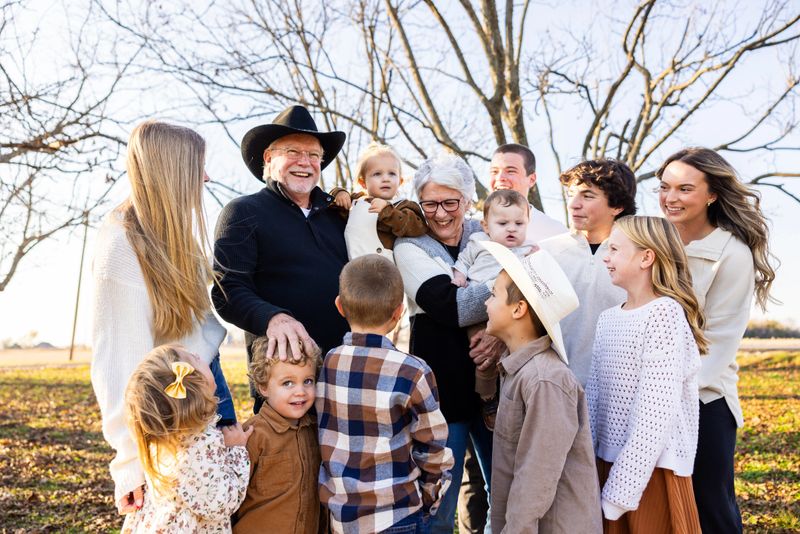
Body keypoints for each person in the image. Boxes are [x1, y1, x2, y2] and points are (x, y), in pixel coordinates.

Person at [91, 121, 235, 516]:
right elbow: (119, 362)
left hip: (206, 384)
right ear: (172, 170)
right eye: (197, 167)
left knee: (221, 511)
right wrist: (129, 463)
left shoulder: (173, 234)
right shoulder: (122, 244)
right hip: (172, 408)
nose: (205, 177)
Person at [657, 148, 776, 534]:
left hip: (703, 401)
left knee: (711, 509)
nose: (670, 197)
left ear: (711, 195)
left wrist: (664, 394)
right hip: (645, 397)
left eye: (684, 188)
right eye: (664, 187)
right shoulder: (652, 240)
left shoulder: (733, 254)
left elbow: (719, 344)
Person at [212, 105, 349, 414]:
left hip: (343, 380)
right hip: (284, 386)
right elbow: (227, 290)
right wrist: (274, 318)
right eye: (293, 152)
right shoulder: (243, 213)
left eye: (314, 156)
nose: (306, 162)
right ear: (269, 158)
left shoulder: (339, 216)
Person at [394, 153, 498, 533]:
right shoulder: (410, 247)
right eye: (430, 203)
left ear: (468, 202)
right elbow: (451, 307)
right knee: (438, 499)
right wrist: (511, 285)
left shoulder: (489, 234)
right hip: (440, 391)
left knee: (503, 491)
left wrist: (498, 333)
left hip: (494, 386)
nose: (439, 214)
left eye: (450, 202)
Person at [317, 255, 453, 533]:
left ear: (340, 307)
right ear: (399, 313)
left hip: (342, 517)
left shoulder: (328, 363)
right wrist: (430, 497)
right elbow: (433, 448)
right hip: (398, 514)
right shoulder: (413, 371)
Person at [588, 216, 706, 533]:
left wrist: (621, 491)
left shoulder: (664, 313)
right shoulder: (607, 319)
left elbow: (656, 414)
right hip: (606, 463)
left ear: (646, 257)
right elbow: (594, 402)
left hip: (651, 472)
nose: (606, 257)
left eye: (614, 249)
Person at [479, 242, 602, 533]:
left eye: (493, 295)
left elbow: (536, 476)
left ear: (519, 309)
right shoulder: (515, 368)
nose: (486, 303)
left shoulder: (545, 380)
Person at [121, 345, 251, 533]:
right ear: (197, 384)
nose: (200, 355)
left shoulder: (163, 440)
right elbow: (223, 503)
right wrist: (236, 449)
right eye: (195, 359)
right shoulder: (200, 446)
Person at [538, 159, 637, 386]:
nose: (573, 204)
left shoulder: (640, 258)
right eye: (571, 194)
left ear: (617, 206)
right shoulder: (545, 252)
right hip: (555, 387)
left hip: (617, 390)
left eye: (587, 196)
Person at [451, 189, 534, 429]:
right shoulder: (478, 243)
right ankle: (488, 399)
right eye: (503, 223)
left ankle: (515, 400)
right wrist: (459, 278)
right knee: (485, 359)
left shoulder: (527, 250)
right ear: (485, 226)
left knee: (513, 358)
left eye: (519, 223)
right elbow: (463, 262)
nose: (512, 228)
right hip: (480, 312)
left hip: (512, 316)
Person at [234, 338, 325, 533]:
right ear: (263, 387)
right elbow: (230, 496)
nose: (300, 391)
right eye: (288, 383)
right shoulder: (253, 435)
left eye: (308, 381)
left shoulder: (317, 431)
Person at [330, 142, 428, 260]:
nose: (386, 179)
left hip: (386, 269)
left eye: (392, 174)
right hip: (353, 268)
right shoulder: (356, 201)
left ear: (400, 181)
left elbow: (418, 227)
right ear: (363, 183)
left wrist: (387, 211)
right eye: (377, 174)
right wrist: (339, 193)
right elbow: (330, 208)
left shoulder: (403, 205)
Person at [489, 143, 567, 242]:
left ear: (532, 179)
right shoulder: (472, 227)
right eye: (494, 172)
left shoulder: (556, 233)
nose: (500, 178)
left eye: (510, 171)